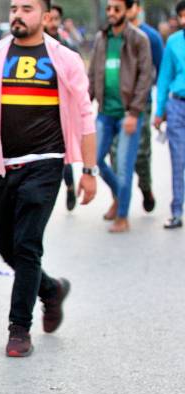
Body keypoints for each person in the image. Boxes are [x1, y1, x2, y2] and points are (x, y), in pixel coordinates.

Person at [0, 0, 98, 357]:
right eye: (14, 7)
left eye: (27, 8)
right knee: (5, 245)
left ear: (45, 17)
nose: (18, 14)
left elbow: (84, 115)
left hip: (46, 163)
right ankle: (50, 289)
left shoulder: (65, 59)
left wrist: (88, 171)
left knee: (28, 245)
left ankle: (19, 329)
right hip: (3, 164)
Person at [89, 0, 154, 233]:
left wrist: (135, 113)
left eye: (117, 9)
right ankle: (121, 195)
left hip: (128, 114)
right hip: (104, 112)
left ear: (127, 11)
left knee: (124, 167)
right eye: (108, 9)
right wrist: (86, 104)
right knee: (94, 160)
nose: (111, 13)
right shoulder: (101, 39)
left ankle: (123, 216)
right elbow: (92, 75)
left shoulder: (139, 39)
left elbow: (146, 78)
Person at [109, 0, 164, 213]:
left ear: (136, 9)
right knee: (114, 155)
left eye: (122, 7)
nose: (114, 12)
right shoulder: (110, 35)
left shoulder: (150, 37)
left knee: (140, 154)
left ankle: (145, 187)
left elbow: (160, 71)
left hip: (140, 105)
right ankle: (118, 198)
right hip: (113, 106)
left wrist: (159, 107)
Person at [154, 0, 185, 229]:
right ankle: (176, 211)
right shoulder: (173, 42)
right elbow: (164, 77)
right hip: (177, 106)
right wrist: (159, 110)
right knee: (178, 160)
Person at [45, 4, 79, 211]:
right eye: (50, 18)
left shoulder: (65, 46)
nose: (52, 23)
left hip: (61, 109)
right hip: (39, 109)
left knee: (63, 150)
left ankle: (69, 186)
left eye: (56, 19)